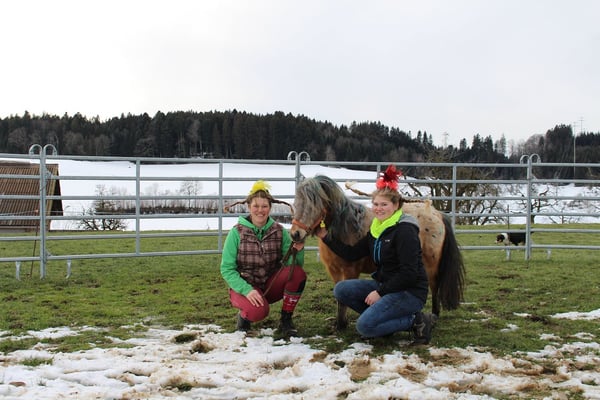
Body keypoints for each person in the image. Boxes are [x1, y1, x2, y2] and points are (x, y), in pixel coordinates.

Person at [315, 165, 433, 344]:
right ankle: (384, 322)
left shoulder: (405, 231)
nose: (379, 209)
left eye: (384, 205)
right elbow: (352, 253)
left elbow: (409, 274)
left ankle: (416, 321)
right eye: (376, 204)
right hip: (386, 285)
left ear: (396, 205)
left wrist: (380, 292)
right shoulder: (377, 229)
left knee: (364, 327)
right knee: (341, 289)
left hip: (409, 292)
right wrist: (326, 237)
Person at [220, 180, 305, 337]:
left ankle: (286, 320)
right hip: (245, 287)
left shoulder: (279, 231)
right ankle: (244, 317)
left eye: (264, 206)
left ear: (270, 208)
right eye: (256, 206)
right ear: (249, 207)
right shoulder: (236, 232)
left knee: (298, 273)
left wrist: (298, 251)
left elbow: (293, 266)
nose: (260, 210)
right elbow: (227, 269)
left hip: (270, 285)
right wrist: (247, 290)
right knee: (258, 312)